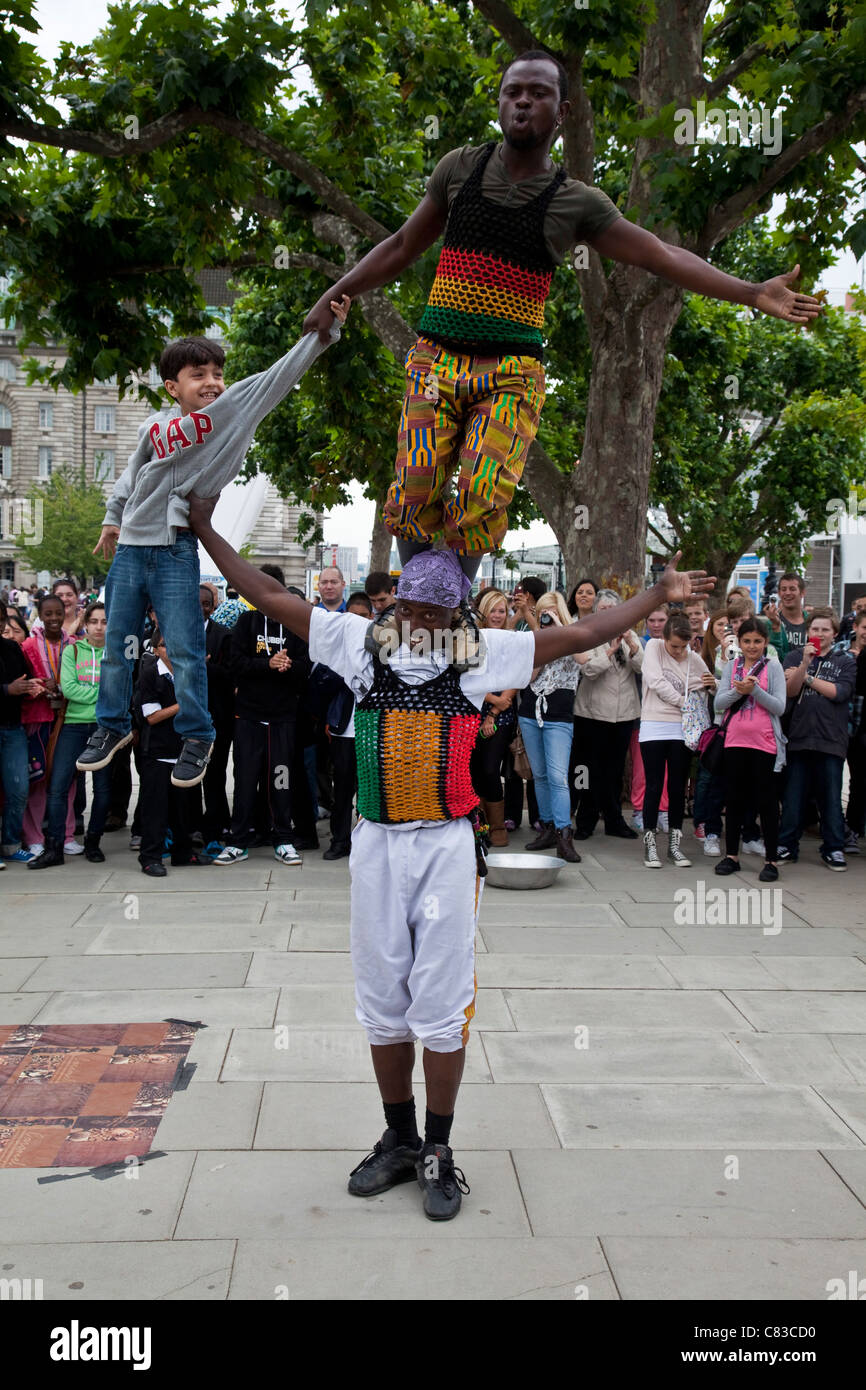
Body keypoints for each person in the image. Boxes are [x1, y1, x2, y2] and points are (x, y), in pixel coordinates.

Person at [188, 490, 713, 1222]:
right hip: (375, 841)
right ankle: (398, 1137)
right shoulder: (355, 640)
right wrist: (208, 527)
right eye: (413, 610)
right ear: (398, 602)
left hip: (442, 846)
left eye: (437, 613)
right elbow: (270, 593)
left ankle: (438, 1147)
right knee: (380, 997)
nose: (421, 624)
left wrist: (658, 592)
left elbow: (586, 629)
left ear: (457, 611)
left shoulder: (481, 653)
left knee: (439, 1001)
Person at [303, 51, 817, 581]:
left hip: (510, 375)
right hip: (435, 362)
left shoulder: (577, 203)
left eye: (538, 93)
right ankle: (419, 595)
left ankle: (450, 603)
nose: (523, 100)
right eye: (513, 91)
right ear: (500, 102)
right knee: (414, 489)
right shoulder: (459, 168)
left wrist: (752, 290)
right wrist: (337, 292)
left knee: (482, 495)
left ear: (562, 111)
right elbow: (402, 244)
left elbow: (663, 256)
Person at [76, 301, 349, 789]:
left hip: (176, 549)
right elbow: (131, 475)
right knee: (117, 646)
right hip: (131, 551)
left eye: (217, 373)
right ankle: (112, 726)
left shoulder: (232, 410)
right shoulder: (154, 427)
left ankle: (198, 735)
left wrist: (322, 336)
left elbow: (277, 377)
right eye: (198, 374)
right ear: (172, 388)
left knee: (184, 648)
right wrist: (112, 518)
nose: (212, 382)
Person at [214, 566, 312, 866]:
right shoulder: (246, 622)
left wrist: (287, 666)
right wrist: (266, 665)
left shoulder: (295, 625)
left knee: (281, 778)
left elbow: (306, 667)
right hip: (249, 715)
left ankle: (283, 838)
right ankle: (238, 840)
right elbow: (236, 665)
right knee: (245, 778)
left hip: (283, 716)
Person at [28, 602, 111, 869]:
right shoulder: (72, 650)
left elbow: (120, 689)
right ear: (85, 623)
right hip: (73, 726)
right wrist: (102, 695)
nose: (99, 627)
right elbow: (71, 690)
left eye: (104, 621)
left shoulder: (115, 654)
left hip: (104, 729)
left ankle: (93, 843)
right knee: (58, 788)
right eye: (94, 621)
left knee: (103, 791)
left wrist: (102, 698)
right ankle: (54, 848)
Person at [777, 608, 856, 871]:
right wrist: (804, 666)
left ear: (834, 633)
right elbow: (790, 690)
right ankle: (787, 844)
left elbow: (838, 692)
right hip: (799, 738)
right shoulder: (794, 656)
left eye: (825, 629)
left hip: (830, 739)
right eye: (815, 629)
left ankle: (833, 848)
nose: (819, 634)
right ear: (808, 632)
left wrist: (809, 678)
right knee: (793, 796)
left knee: (831, 797)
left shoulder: (845, 661)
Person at [712, 618, 787, 883]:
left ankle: (771, 860)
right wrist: (738, 690)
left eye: (757, 641)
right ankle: (731, 855)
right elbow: (719, 702)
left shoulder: (773, 666)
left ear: (765, 642)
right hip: (734, 742)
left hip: (764, 744)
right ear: (739, 642)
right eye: (747, 641)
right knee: (733, 800)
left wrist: (754, 690)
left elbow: (779, 706)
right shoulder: (732, 666)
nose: (752, 646)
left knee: (766, 802)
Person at [639, 612, 713, 868]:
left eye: (683, 646)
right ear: (665, 637)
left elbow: (708, 684)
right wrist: (684, 700)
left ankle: (674, 844)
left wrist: (707, 685)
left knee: (678, 787)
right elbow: (655, 680)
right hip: (653, 724)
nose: (678, 651)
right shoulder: (653, 647)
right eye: (674, 646)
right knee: (654, 785)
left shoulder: (693, 658)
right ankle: (650, 843)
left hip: (682, 729)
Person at [572, 589, 643, 840]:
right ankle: (585, 819)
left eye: (612, 610)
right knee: (587, 770)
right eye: (603, 609)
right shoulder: (588, 634)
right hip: (591, 715)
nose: (608, 614)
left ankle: (614, 820)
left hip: (623, 715)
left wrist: (631, 644)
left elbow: (642, 667)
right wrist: (610, 651)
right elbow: (589, 669)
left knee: (614, 770)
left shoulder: (629, 635)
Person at [518, 591, 582, 862]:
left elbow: (584, 660)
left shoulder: (575, 633)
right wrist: (543, 641)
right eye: (542, 613)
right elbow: (527, 677)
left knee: (558, 777)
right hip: (530, 711)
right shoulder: (536, 638)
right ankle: (547, 828)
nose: (546, 617)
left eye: (551, 611)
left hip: (558, 715)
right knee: (540, 775)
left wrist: (561, 627)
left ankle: (564, 835)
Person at [135, 631, 204, 875]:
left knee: (183, 809)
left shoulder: (189, 673)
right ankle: (150, 857)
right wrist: (182, 704)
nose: (170, 650)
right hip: (158, 753)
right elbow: (152, 716)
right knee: (155, 810)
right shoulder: (150, 674)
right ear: (155, 650)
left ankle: (183, 853)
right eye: (164, 645)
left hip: (184, 752)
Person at [21, 594, 78, 857]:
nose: (54, 619)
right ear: (40, 616)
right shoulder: (29, 646)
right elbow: (23, 681)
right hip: (39, 719)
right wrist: (42, 686)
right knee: (38, 778)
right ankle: (34, 837)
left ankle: (65, 835)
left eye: (58, 613)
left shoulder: (75, 645)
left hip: (69, 717)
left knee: (66, 779)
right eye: (48, 614)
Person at [322, 591, 371, 860]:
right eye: (353, 617)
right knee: (341, 790)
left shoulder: (382, 648)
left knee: (370, 791)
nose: (358, 622)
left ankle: (367, 843)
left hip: (372, 732)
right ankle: (339, 841)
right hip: (344, 729)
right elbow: (323, 683)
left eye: (363, 617)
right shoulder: (337, 648)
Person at [469, 588, 519, 846]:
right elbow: (467, 677)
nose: (498, 615)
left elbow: (516, 676)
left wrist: (496, 709)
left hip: (502, 715)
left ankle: (498, 826)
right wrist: (491, 700)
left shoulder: (512, 640)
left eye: (502, 610)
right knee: (472, 770)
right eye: (493, 610)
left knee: (490, 769)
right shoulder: (472, 639)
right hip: (473, 711)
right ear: (484, 612)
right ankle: (479, 825)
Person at [0, 599, 44, 867]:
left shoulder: (12, 649)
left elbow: (24, 680)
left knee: (19, 788)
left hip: (13, 728)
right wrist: (7, 690)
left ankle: (10, 843)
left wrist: (33, 686)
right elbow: (10, 688)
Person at [837, 610, 866, 853]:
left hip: (862, 726)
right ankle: (844, 830)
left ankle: (854, 828)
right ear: (856, 626)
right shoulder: (841, 651)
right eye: (865, 626)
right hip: (843, 726)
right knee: (843, 780)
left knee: (859, 781)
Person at [766, 572, 810, 660]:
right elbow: (771, 655)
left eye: (792, 589)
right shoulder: (770, 623)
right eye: (783, 589)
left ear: (802, 592)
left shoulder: (812, 622)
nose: (787, 593)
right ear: (779, 593)